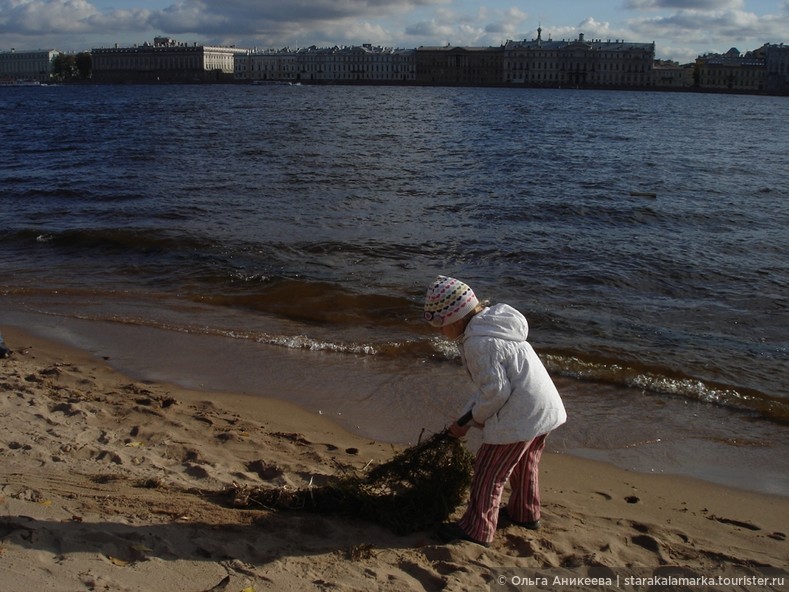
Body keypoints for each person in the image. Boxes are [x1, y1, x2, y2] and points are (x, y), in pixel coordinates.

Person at [423, 275, 567, 547]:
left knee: (488, 472)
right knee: (525, 464)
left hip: (520, 416)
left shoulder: (479, 344)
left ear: (454, 319)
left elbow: (496, 393)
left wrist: (471, 420)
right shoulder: (494, 327)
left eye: (439, 326)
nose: (440, 333)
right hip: (542, 408)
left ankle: (477, 530)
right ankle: (525, 513)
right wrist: (464, 420)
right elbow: (491, 388)